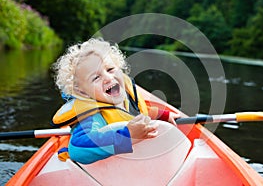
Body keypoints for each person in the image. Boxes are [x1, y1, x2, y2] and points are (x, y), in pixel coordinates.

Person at [51, 38, 180, 164]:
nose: (108, 78)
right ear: (82, 91)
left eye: (110, 69)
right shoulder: (93, 116)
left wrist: (163, 115)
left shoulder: (126, 96)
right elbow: (78, 150)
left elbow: (139, 112)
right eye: (96, 77)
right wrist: (127, 135)